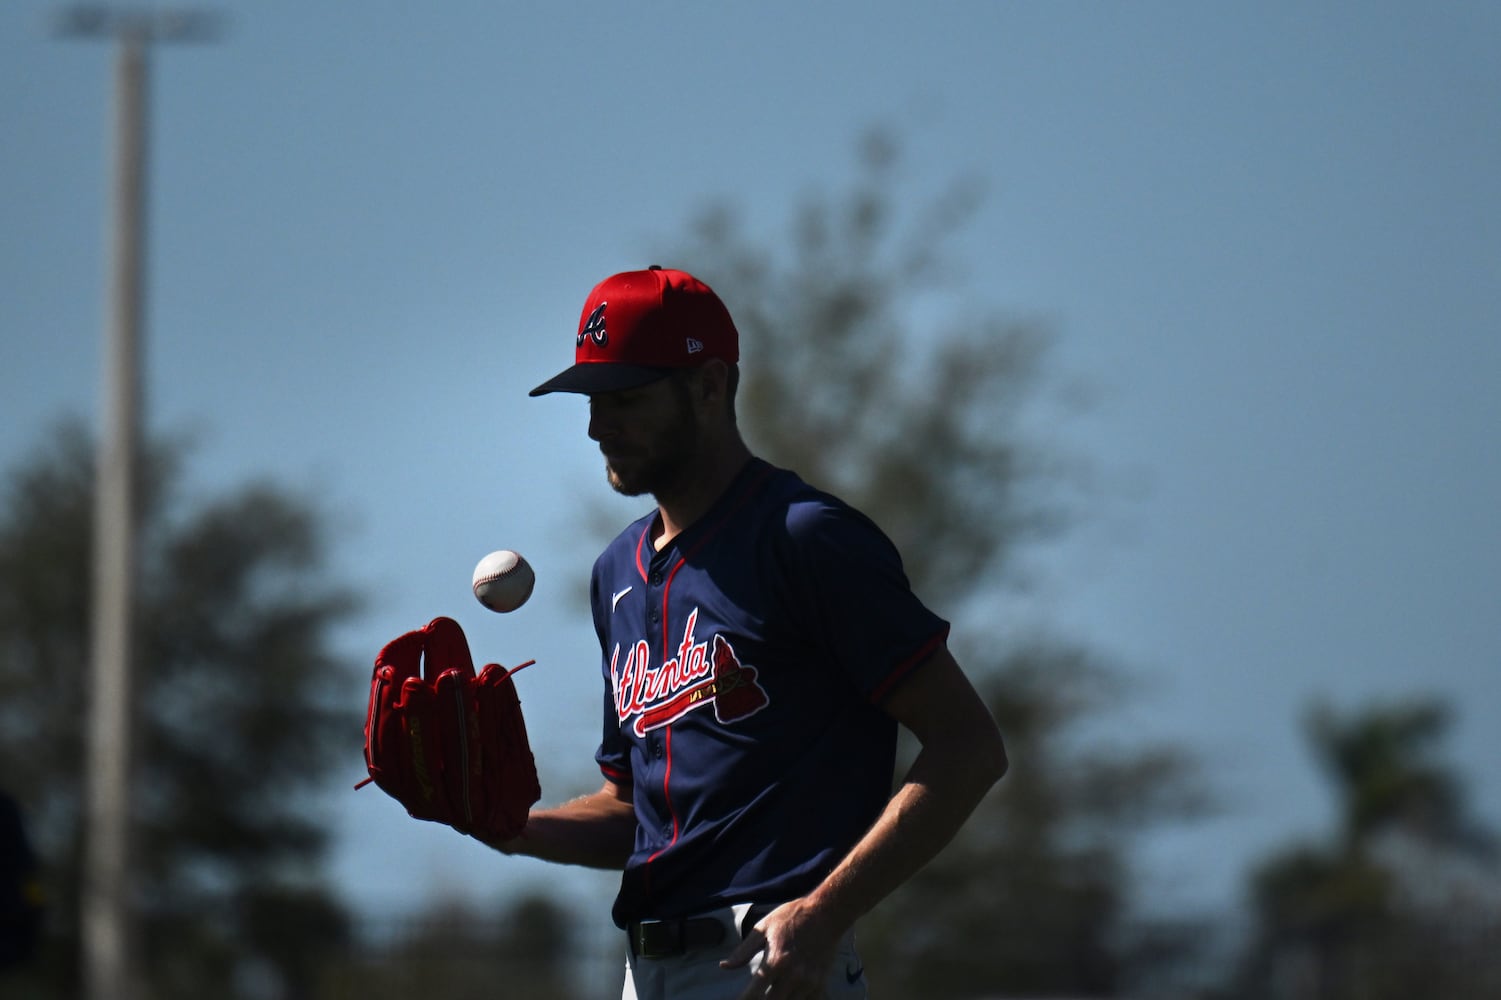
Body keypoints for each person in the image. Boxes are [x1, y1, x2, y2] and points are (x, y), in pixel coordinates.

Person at [507, 265, 1008, 999]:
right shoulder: (616, 572)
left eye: (626, 398)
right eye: (591, 400)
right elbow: (633, 815)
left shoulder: (804, 539)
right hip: (645, 975)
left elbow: (968, 746)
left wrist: (823, 912)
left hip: (771, 965)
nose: (596, 425)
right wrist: (508, 827)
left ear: (709, 385)